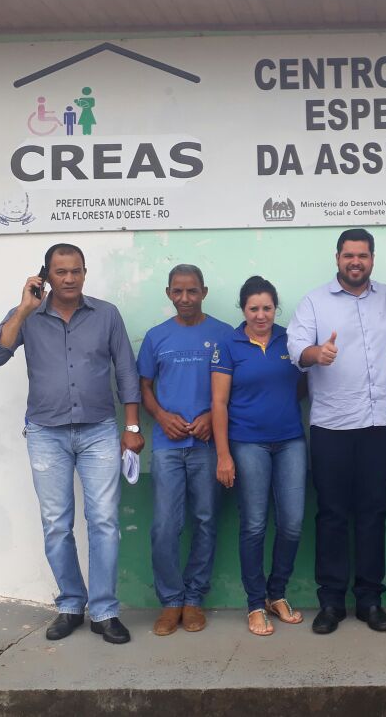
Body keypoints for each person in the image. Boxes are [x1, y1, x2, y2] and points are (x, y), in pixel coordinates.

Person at [0, 243, 143, 645]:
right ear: (46, 275)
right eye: (61, 272)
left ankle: (104, 612)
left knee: (104, 521)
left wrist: (133, 427)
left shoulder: (106, 314)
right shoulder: (28, 315)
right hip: (45, 432)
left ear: (85, 273)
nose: (69, 279)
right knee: (57, 524)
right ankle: (71, 604)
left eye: (76, 271)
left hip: (99, 431)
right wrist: (22, 310)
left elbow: (126, 370)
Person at [286, 228, 386, 635]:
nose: (356, 262)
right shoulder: (315, 302)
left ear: (372, 259)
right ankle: (331, 602)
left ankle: (370, 601)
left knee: (373, 514)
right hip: (331, 426)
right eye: (349, 255)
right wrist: (316, 353)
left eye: (363, 255)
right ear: (337, 258)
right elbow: (295, 348)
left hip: (377, 425)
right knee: (332, 516)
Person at [137, 264, 231, 637]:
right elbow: (142, 385)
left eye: (192, 291)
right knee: (165, 526)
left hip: (208, 445)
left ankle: (194, 599)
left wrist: (211, 414)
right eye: (178, 292)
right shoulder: (156, 336)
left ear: (204, 292)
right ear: (168, 293)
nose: (185, 299)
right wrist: (160, 416)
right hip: (167, 446)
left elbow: (234, 387)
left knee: (206, 521)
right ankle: (171, 602)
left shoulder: (223, 334)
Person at [213, 276, 307, 637]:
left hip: (290, 441)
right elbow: (218, 403)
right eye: (254, 308)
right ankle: (254, 603)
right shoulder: (230, 344)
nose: (261, 314)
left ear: (275, 308)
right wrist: (224, 455)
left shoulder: (289, 339)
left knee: (293, 523)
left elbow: (301, 385)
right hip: (247, 443)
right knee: (253, 524)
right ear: (243, 310)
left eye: (267, 307)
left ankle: (276, 594)